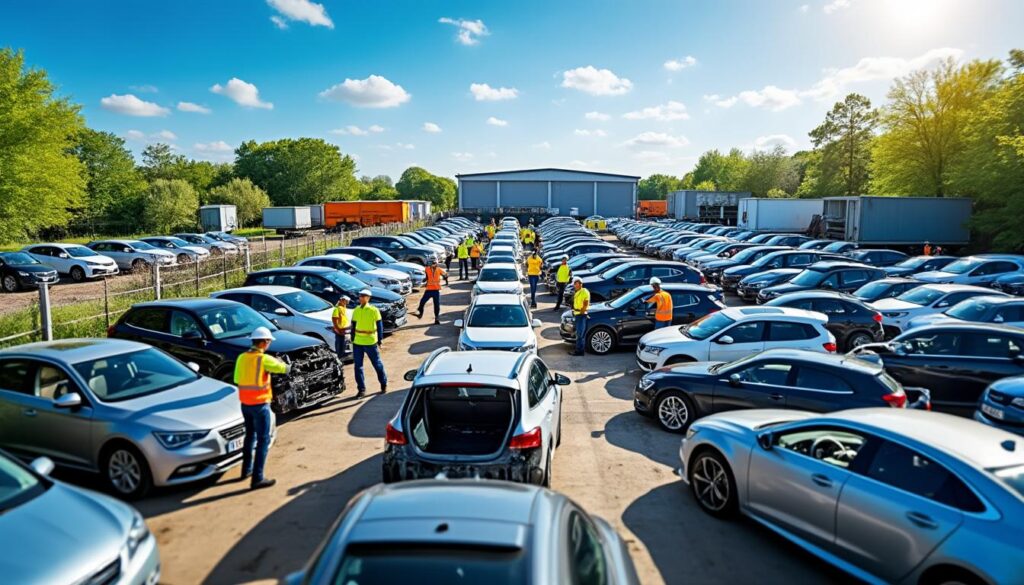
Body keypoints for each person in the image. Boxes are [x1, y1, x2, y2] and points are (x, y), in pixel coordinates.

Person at [234, 326, 289, 490]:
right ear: (264, 342)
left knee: (249, 437)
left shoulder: (242, 358)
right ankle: (257, 478)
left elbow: (237, 379)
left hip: (245, 405)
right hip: (260, 405)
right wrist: (283, 363)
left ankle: (246, 470)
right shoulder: (264, 359)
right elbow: (284, 369)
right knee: (263, 440)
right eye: (269, 342)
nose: (269, 344)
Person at [351, 289, 387, 397]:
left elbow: (379, 325)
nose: (361, 298)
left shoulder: (373, 310)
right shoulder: (356, 310)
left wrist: (380, 339)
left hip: (370, 341)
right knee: (358, 366)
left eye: (363, 296)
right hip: (357, 342)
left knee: (377, 364)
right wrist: (352, 338)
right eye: (360, 296)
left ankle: (383, 383)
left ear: (368, 298)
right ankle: (361, 389)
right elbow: (353, 324)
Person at [416, 258, 447, 324]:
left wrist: (445, 277)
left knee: (436, 305)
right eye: (432, 264)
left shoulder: (439, 269)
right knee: (422, 302)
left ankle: (437, 318)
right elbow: (427, 277)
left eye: (434, 263)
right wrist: (423, 281)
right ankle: (420, 312)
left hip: (436, 290)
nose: (433, 265)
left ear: (436, 264)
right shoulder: (427, 269)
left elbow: (445, 274)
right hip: (428, 290)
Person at [571, 277, 590, 356]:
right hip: (577, 314)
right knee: (578, 333)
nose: (576, 285)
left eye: (577, 283)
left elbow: (585, 303)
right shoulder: (577, 292)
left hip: (581, 315)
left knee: (580, 334)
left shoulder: (584, 291)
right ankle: (578, 350)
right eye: (575, 284)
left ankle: (580, 351)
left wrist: (582, 312)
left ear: (581, 284)